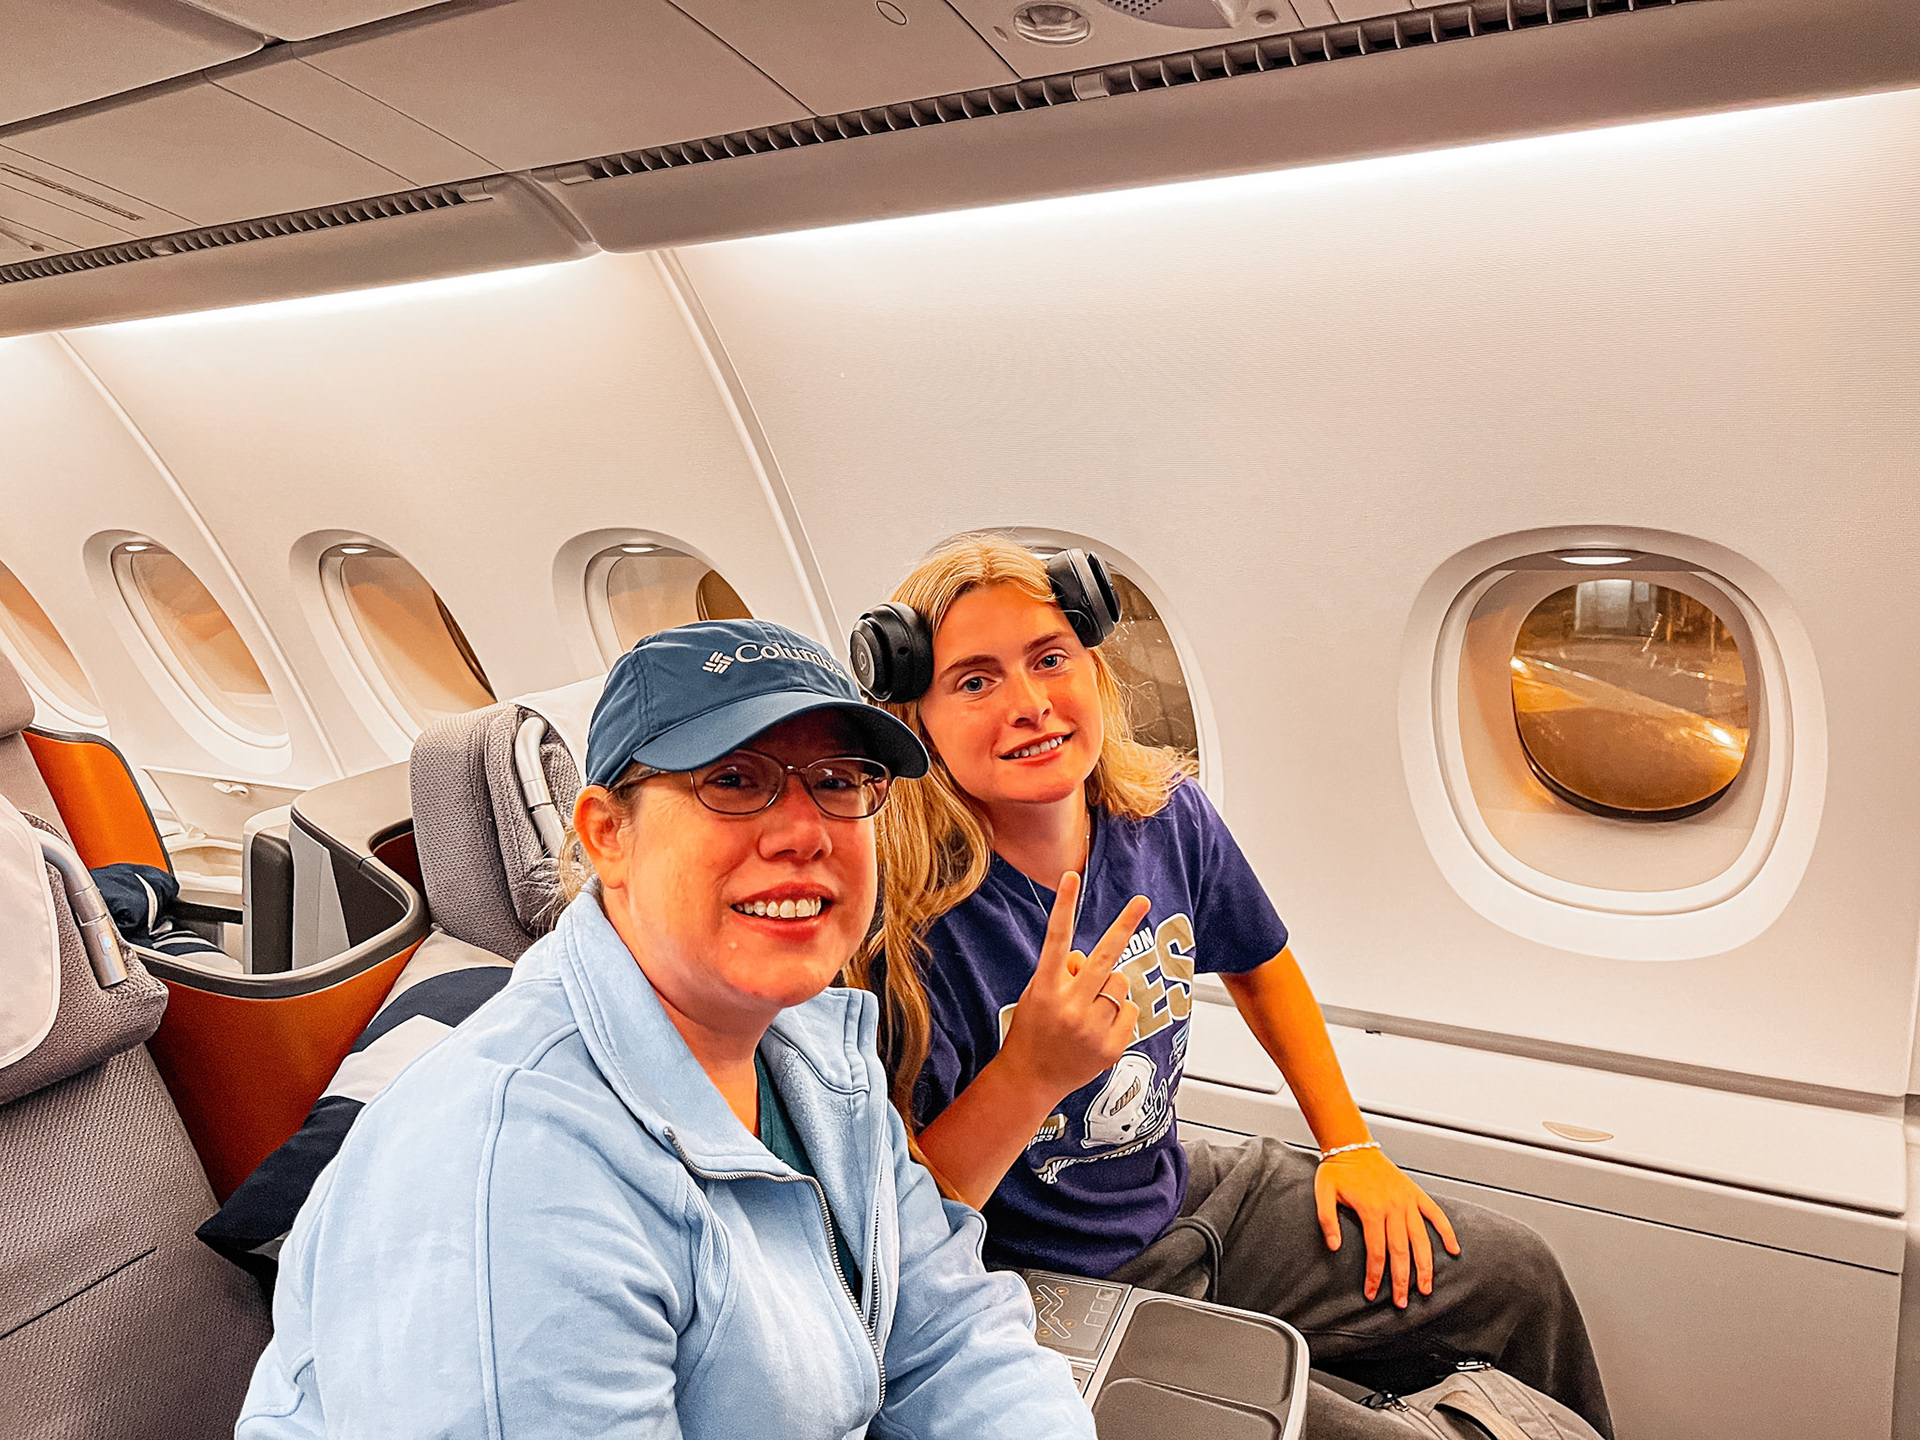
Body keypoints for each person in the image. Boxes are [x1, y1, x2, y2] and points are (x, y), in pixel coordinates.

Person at [238, 618, 1094, 1440]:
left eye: (839, 782)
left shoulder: (813, 1050)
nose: (805, 832)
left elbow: (947, 1338)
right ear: (607, 835)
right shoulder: (511, 1182)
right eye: (735, 781)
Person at [847, 536, 1613, 1440]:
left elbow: (1260, 963)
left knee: (1517, 1278)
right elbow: (909, 1221)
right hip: (1038, 1279)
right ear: (917, 719)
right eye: (975, 681)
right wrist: (1028, 1076)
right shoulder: (906, 921)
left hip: (1185, 1191)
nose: (1029, 703)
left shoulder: (1165, 815)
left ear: (1093, 667)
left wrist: (1349, 1145)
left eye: (1050, 659)